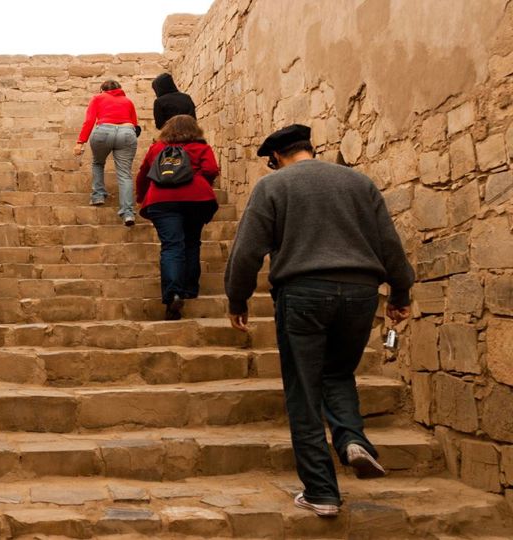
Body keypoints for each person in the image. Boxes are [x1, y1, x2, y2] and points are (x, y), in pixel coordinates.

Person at [224, 124, 415, 518]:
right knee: (339, 373)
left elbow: (247, 251)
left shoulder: (273, 187)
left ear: (275, 157)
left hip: (303, 293)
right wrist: (400, 293)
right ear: (311, 148)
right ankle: (351, 440)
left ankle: (322, 491)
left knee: (304, 391)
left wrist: (237, 298)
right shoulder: (359, 183)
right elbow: (389, 244)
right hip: (361, 293)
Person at [135, 115, 219, 320]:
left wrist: (141, 196)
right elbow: (211, 169)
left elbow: (143, 173)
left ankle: (173, 293)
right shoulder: (201, 147)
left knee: (172, 246)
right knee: (191, 242)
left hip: (162, 201)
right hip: (196, 199)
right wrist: (200, 181)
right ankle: (189, 289)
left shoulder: (157, 148)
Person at [74, 80, 139, 226]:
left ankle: (98, 196)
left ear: (102, 90)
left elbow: (89, 120)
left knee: (98, 163)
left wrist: (80, 142)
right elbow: (135, 124)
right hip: (127, 132)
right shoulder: (128, 101)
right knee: (124, 174)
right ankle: (128, 213)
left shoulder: (98, 98)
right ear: (119, 89)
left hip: (104, 131)